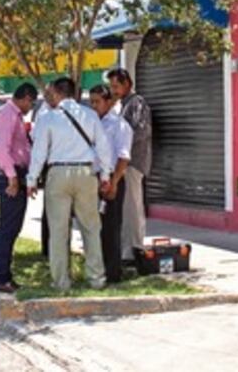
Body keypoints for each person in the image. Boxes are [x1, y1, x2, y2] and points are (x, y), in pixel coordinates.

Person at [27, 77, 113, 292]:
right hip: (86, 173)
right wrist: (105, 176)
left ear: (57, 93)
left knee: (58, 230)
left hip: (58, 173)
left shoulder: (48, 118)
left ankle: (61, 281)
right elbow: (103, 147)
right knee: (91, 227)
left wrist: (31, 179)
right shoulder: (90, 115)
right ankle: (96, 278)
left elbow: (39, 152)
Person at [0, 82, 39, 293]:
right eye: (32, 102)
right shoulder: (7, 114)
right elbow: (1, 149)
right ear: (26, 97)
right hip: (10, 176)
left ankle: (6, 275)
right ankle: (1, 277)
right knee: (8, 228)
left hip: (19, 175)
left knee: (13, 228)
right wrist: (12, 177)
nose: (31, 107)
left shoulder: (16, 116)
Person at [108, 67, 152, 263]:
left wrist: (123, 146)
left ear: (127, 84)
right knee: (125, 208)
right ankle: (126, 248)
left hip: (133, 162)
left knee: (132, 207)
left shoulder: (137, 103)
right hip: (123, 163)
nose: (113, 90)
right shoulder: (122, 105)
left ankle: (134, 249)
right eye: (111, 86)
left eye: (116, 86)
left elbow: (141, 131)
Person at [89, 84, 132, 283]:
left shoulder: (119, 125)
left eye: (97, 102)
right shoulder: (91, 123)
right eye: (91, 102)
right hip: (93, 178)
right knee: (94, 226)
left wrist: (114, 182)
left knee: (111, 227)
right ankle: (98, 268)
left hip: (113, 178)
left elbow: (123, 157)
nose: (94, 106)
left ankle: (113, 272)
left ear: (108, 102)